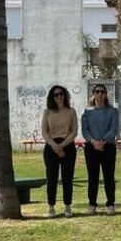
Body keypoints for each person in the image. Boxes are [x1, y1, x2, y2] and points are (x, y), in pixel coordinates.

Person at [81, 84, 119, 216]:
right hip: (91, 148)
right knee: (93, 177)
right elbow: (84, 130)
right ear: (93, 94)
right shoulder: (87, 111)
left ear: (106, 94)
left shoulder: (112, 111)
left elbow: (114, 129)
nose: (100, 94)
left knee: (109, 176)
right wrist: (93, 142)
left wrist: (102, 141)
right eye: (97, 91)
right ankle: (92, 204)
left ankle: (110, 203)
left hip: (107, 147)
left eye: (103, 91)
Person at [41, 85, 78, 218]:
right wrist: (55, 146)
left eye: (61, 94)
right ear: (52, 97)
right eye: (56, 95)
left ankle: (67, 206)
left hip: (67, 145)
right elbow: (44, 131)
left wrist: (62, 145)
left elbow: (74, 131)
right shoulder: (47, 112)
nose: (59, 97)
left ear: (65, 95)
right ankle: (51, 206)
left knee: (67, 178)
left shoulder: (71, 111)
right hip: (51, 147)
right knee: (52, 178)